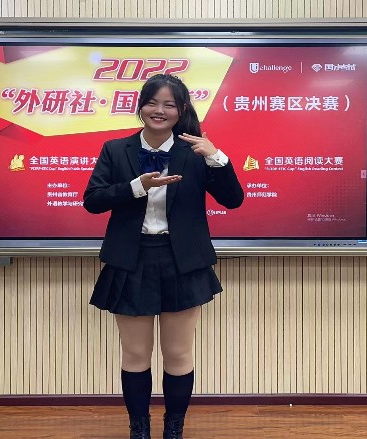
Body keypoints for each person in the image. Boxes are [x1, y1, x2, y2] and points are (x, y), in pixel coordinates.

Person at [83, 74, 244, 439]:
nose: (159, 110)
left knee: (178, 354)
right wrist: (138, 186)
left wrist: (217, 157)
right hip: (131, 259)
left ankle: (174, 429)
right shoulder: (116, 149)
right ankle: (139, 430)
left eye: (169, 104)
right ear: (141, 106)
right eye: (152, 102)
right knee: (135, 354)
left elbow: (233, 200)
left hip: (182, 261)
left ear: (181, 110)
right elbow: (93, 200)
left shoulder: (196, 152)